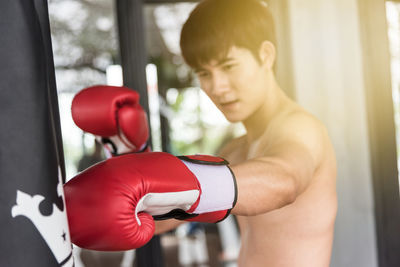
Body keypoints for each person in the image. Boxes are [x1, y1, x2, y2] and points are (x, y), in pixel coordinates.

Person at [64, 0, 337, 266]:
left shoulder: (301, 128)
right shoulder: (235, 151)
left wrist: (195, 181)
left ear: (265, 55)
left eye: (229, 66)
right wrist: (130, 156)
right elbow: (168, 217)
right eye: (204, 73)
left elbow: (284, 180)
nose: (217, 87)